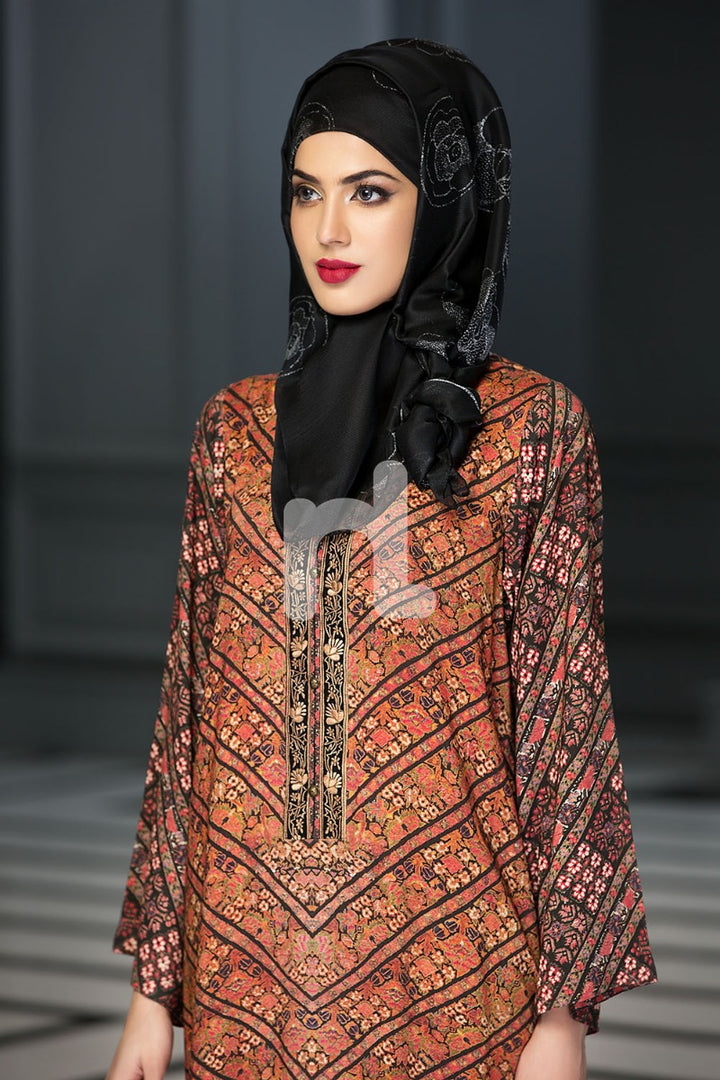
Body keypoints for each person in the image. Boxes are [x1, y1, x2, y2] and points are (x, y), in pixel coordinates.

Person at [107, 38, 656, 1080]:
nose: (329, 229)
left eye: (369, 191)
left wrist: (562, 1021)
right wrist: (152, 997)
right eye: (305, 191)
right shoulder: (234, 432)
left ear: (448, 206)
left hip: (457, 984)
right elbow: (189, 723)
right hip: (244, 980)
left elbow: (566, 734)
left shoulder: (532, 431)